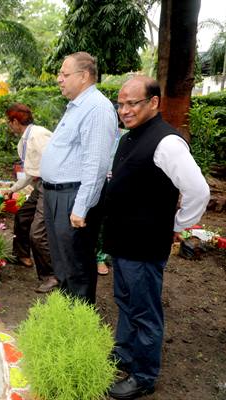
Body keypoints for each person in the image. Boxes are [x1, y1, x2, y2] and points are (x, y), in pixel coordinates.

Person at [104, 76, 210, 400]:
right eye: (120, 104)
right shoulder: (129, 138)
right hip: (122, 242)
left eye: (132, 103)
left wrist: (177, 224)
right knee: (125, 302)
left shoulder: (167, 143)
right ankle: (124, 353)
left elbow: (198, 190)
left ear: (153, 103)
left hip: (144, 247)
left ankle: (144, 376)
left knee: (144, 312)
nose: (124, 110)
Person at [39, 51, 118, 304]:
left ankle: (80, 318)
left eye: (65, 74)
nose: (59, 79)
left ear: (83, 76)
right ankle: (67, 314)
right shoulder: (77, 106)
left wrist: (81, 207)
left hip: (73, 196)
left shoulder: (97, 108)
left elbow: (96, 164)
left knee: (77, 266)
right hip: (57, 194)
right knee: (63, 262)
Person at [4, 103, 57, 293]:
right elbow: (29, 172)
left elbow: (55, 161)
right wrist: (12, 189)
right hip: (40, 184)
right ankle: (21, 255)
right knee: (22, 216)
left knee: (38, 233)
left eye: (9, 122)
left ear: (15, 121)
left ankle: (51, 276)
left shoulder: (38, 135)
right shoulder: (25, 139)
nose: (9, 126)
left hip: (50, 185)